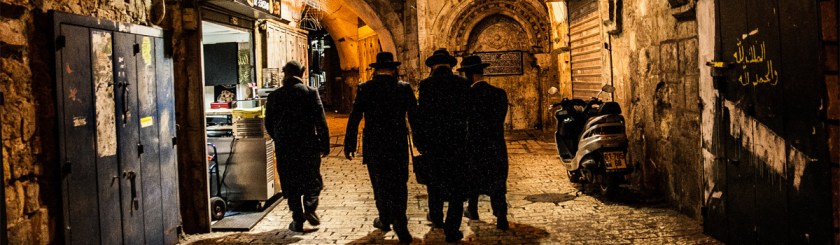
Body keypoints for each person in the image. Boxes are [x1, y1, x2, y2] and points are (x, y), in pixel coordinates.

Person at [344, 52, 417, 243]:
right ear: (393, 69)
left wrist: (350, 142)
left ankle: (384, 218)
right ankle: (400, 221)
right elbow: (415, 117)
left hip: (375, 144)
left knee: (380, 182)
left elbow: (355, 117)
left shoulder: (365, 88)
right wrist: (420, 141)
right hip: (398, 143)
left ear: (376, 69)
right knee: (399, 182)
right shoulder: (404, 88)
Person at [264, 60, 330, 232]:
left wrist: (278, 138)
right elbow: (320, 121)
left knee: (290, 181)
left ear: (285, 73)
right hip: (308, 144)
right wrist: (324, 143)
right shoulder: (310, 92)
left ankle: (297, 219)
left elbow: (268, 123)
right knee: (312, 179)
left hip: (285, 146)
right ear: (302, 73)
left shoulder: (274, 96)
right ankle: (310, 206)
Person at [415, 49, 471, 243]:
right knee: (456, 188)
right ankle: (452, 229)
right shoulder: (462, 84)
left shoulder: (426, 85)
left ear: (432, 66)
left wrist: (420, 142)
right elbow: (468, 116)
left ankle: (437, 219)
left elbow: (420, 117)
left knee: (434, 183)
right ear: (450, 66)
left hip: (433, 145)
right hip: (457, 144)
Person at [458, 55, 510, 230]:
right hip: (496, 144)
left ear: (469, 75)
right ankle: (501, 215)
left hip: (473, 145)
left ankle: (473, 209)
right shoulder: (499, 94)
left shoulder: (465, 96)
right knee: (497, 181)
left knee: (472, 178)